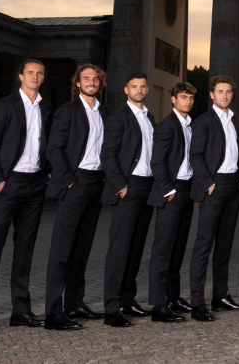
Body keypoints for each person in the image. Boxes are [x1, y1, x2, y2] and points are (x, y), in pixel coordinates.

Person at [0, 59, 51, 339]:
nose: (35, 77)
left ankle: (21, 311)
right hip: (10, 185)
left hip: (35, 185)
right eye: (30, 72)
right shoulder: (4, 106)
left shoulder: (45, 107)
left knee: (24, 251)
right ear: (20, 76)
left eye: (40, 73)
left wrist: (46, 179)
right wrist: (0, 183)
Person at [42, 63, 108, 331]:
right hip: (76, 181)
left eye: (95, 78)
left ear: (100, 83)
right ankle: (52, 312)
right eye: (86, 78)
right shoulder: (67, 111)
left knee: (82, 248)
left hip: (96, 183)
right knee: (62, 249)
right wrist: (69, 180)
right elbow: (53, 149)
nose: (91, 82)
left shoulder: (104, 111)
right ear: (77, 83)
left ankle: (75, 303)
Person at [100, 72, 157, 328]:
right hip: (129, 186)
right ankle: (111, 308)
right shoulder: (118, 119)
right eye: (134, 86)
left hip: (147, 186)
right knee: (119, 249)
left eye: (143, 87)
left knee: (136, 248)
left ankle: (127, 299)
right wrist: (121, 186)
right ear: (126, 89)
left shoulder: (150, 118)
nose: (139, 90)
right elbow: (108, 156)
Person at [188, 74, 239, 318]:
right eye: (220, 91)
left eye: (228, 91)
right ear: (211, 94)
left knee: (225, 245)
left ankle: (220, 296)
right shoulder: (204, 121)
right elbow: (196, 155)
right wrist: (208, 183)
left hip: (232, 186)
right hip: (214, 185)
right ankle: (198, 303)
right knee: (204, 245)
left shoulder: (232, 120)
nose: (225, 96)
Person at [147, 82, 198, 323]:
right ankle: (159, 305)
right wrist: (168, 190)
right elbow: (156, 161)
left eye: (190, 98)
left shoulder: (190, 125)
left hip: (187, 190)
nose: (187, 101)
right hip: (172, 191)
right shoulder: (166, 126)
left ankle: (174, 298)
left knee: (178, 249)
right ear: (173, 99)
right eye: (183, 97)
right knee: (163, 250)